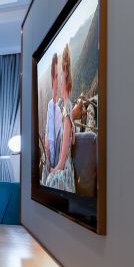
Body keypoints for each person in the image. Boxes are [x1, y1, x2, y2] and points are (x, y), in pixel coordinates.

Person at [46, 45, 76, 193]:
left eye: (62, 81)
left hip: (65, 169)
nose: (60, 85)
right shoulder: (63, 107)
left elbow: (63, 160)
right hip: (62, 165)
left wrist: (56, 168)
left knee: (50, 181)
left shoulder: (68, 107)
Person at [41, 53, 62, 183]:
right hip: (54, 165)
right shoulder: (52, 107)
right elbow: (49, 142)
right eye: (56, 77)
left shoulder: (56, 108)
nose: (57, 81)